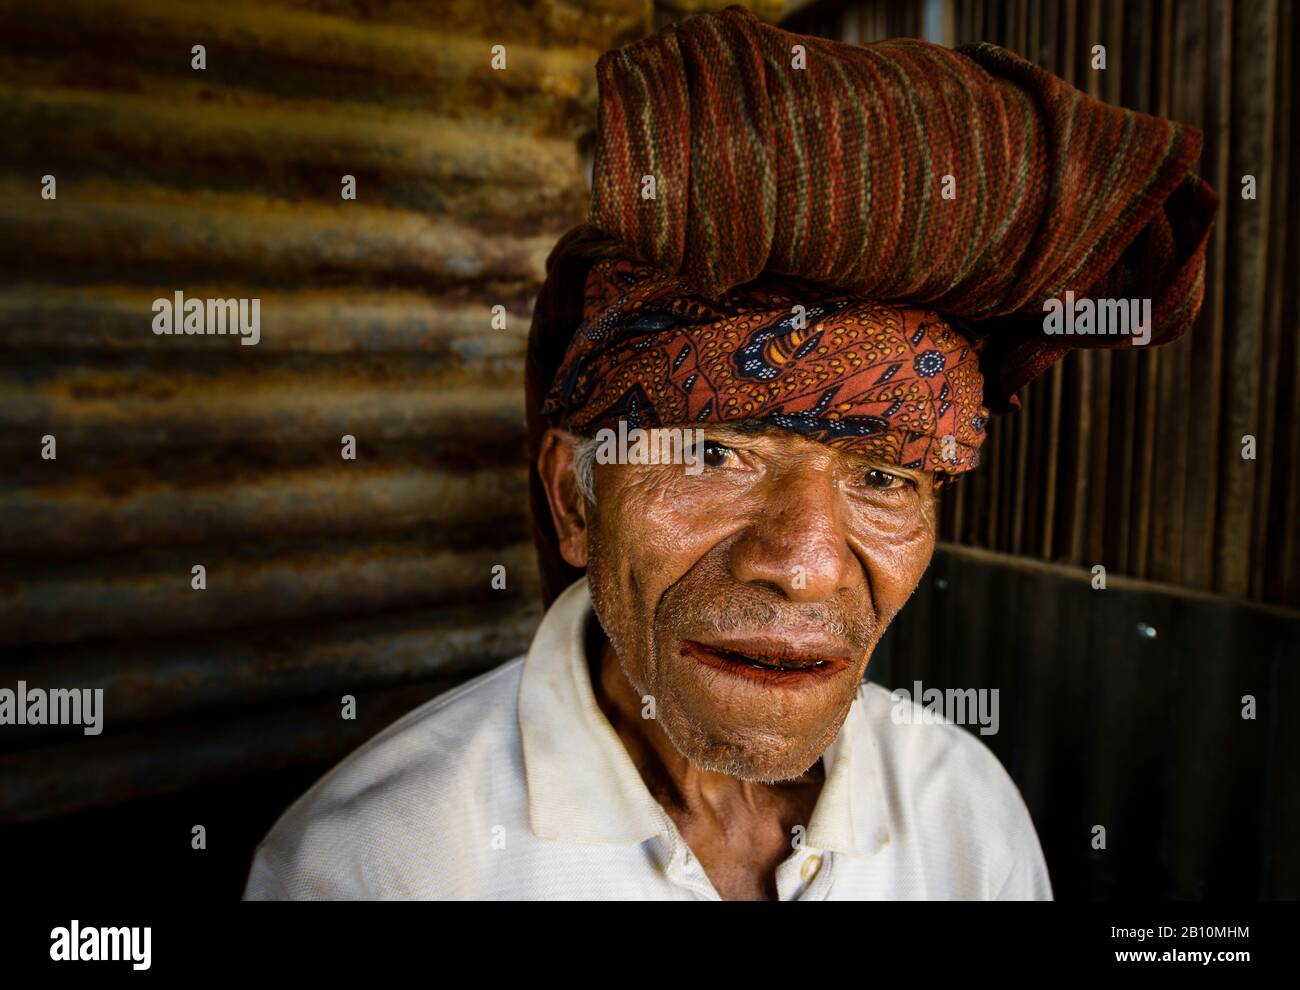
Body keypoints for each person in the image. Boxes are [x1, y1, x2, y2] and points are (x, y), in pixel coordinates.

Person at [243, 4, 1215, 901]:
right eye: (713, 454)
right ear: (574, 500)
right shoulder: (380, 865)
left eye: (883, 477)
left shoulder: (964, 813)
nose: (803, 566)